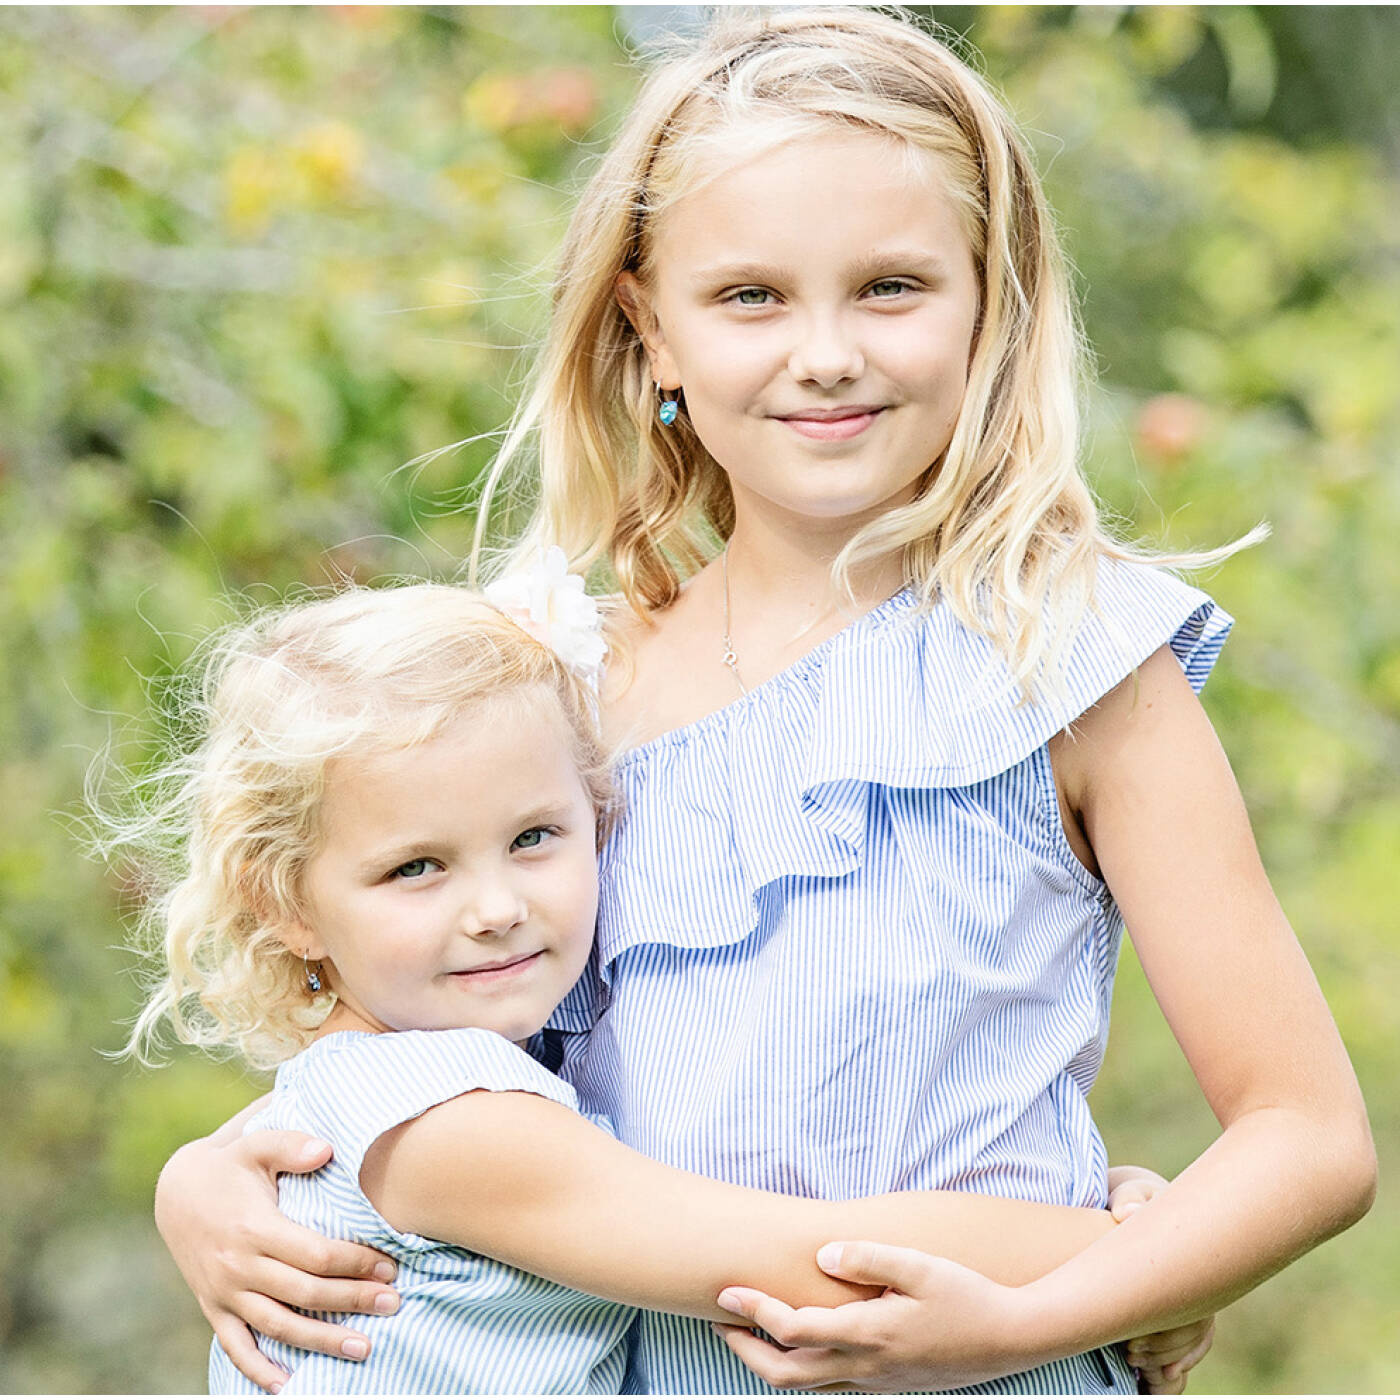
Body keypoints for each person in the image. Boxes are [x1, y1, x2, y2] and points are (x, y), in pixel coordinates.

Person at [151, 7, 1375, 1395]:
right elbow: (409, 1045)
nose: (827, 353)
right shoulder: (563, 688)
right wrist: (209, 1179)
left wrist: (1053, 1307)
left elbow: (1308, 1138)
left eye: (893, 288)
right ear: (650, 331)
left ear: (993, 301)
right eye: (751, 298)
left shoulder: (1075, 665)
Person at [113, 580, 1160, 1394]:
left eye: (534, 837)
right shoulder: (455, 1127)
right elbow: (802, 1262)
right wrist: (1136, 1259)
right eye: (414, 867)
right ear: (283, 901)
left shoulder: (386, 1086)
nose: (493, 906)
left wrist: (187, 1176)